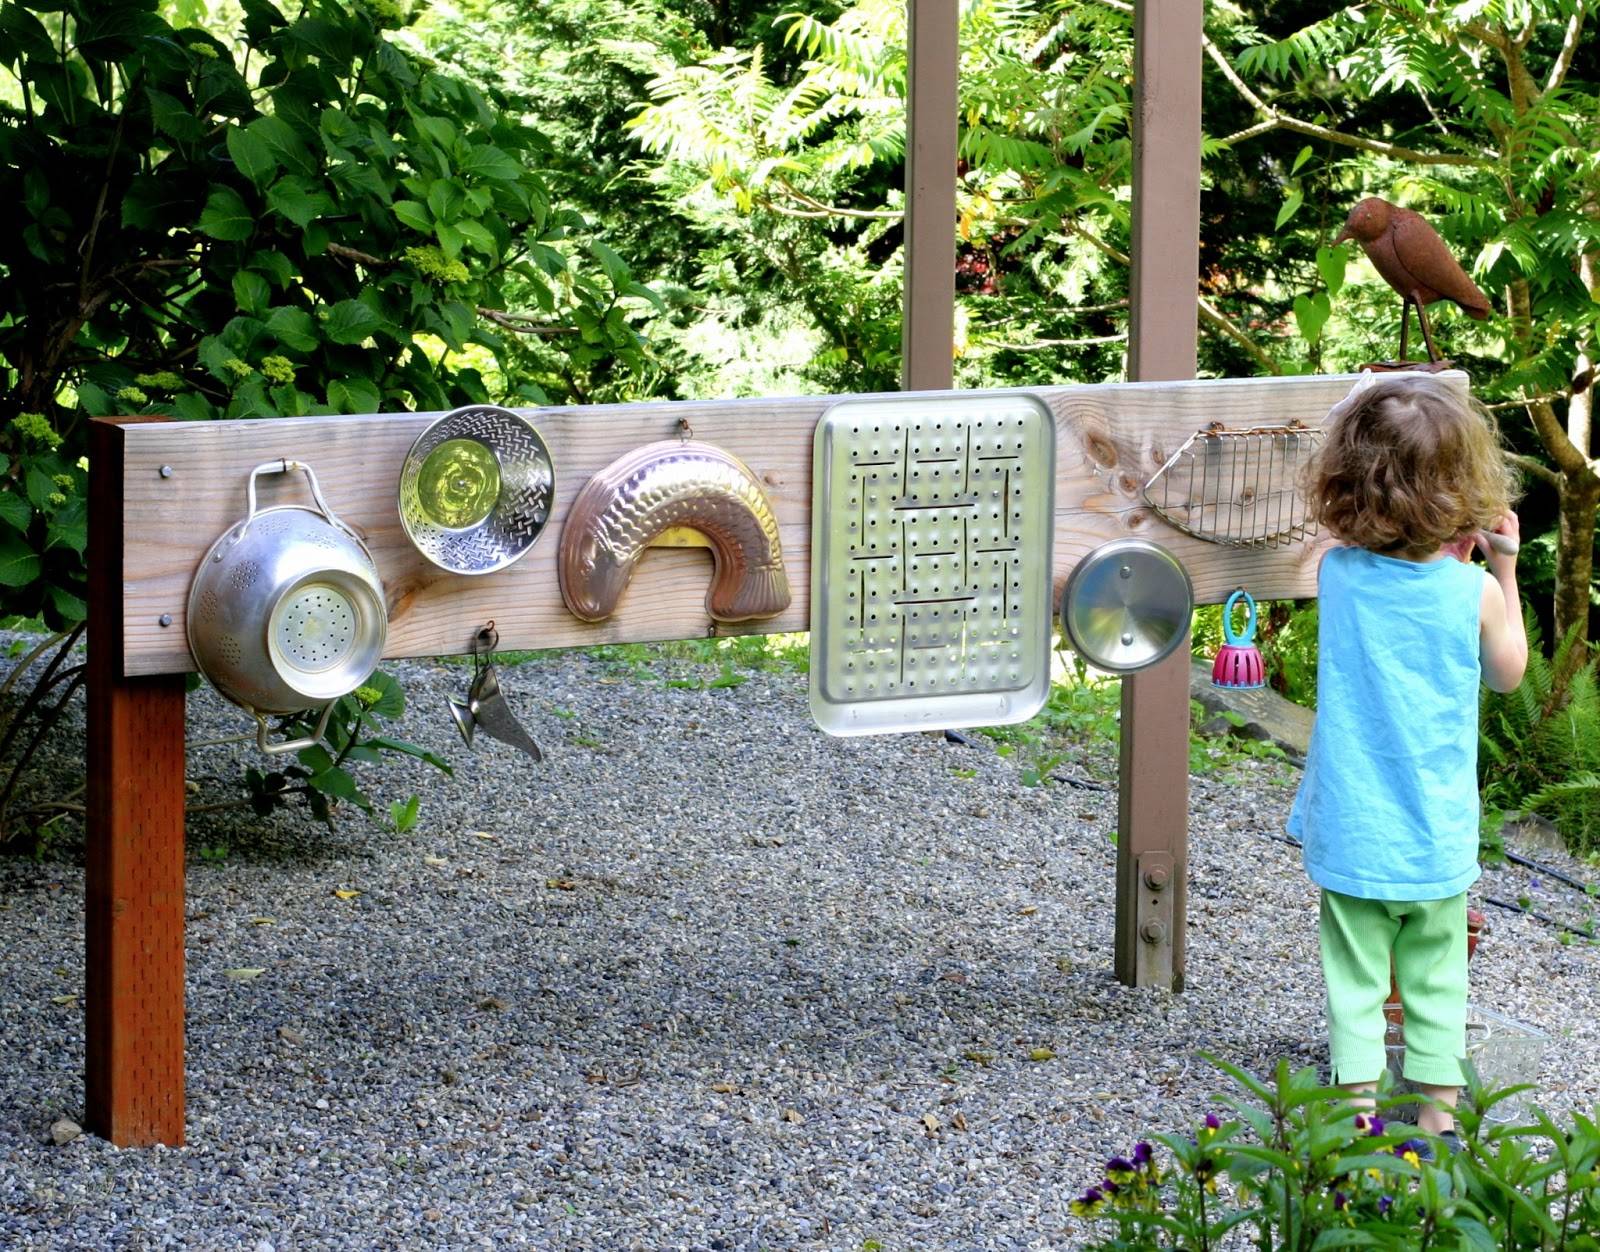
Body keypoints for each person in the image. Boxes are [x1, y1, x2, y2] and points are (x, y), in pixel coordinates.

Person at [1291, 372, 1528, 1139]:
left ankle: (1355, 1116)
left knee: (1354, 979)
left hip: (1355, 831)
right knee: (1437, 978)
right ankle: (1435, 1121)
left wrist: (1362, 401)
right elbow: (1509, 673)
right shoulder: (1473, 593)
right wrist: (1505, 568)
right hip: (1436, 837)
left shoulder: (1339, 576)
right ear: (1465, 490)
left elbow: (1356, 522)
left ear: (1347, 484)